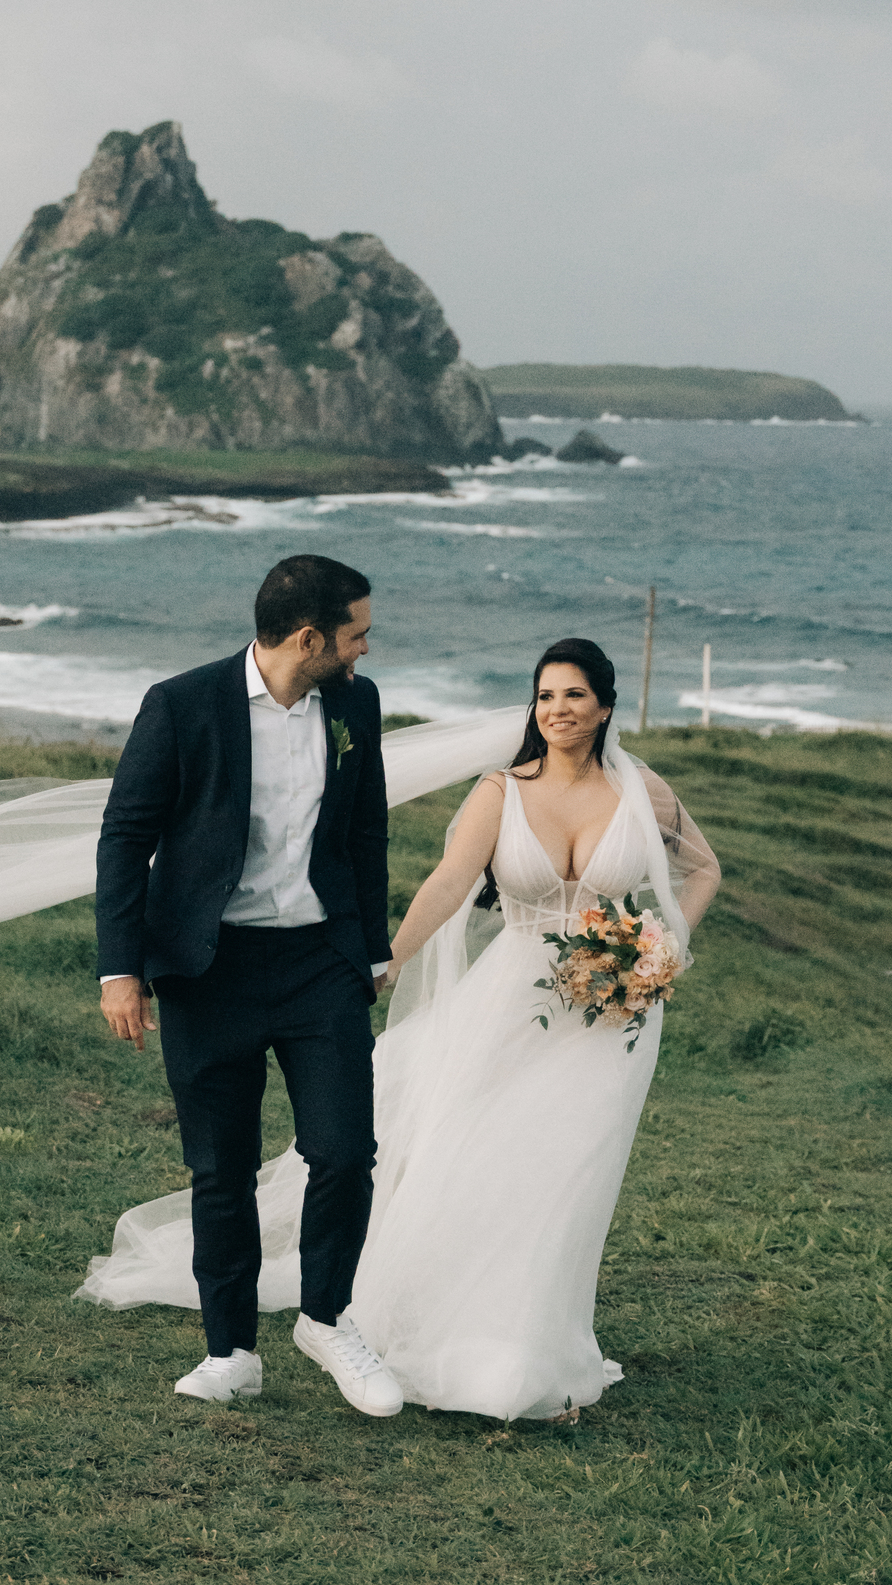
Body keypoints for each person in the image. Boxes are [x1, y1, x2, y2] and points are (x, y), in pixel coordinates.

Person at [80, 637, 720, 1424]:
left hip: (610, 1018)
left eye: (575, 696)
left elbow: (704, 869)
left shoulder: (641, 790)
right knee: (485, 1159)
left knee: (570, 1173)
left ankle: (542, 1341)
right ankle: (453, 1329)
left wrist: (660, 954)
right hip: (511, 1005)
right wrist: (383, 961)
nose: (557, 710)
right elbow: (451, 881)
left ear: (606, 706)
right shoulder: (502, 790)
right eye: (546, 695)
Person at [91, 553, 404, 1416]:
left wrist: (370, 949)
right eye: (356, 635)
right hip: (209, 968)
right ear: (309, 638)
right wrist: (121, 969)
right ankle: (231, 1350)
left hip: (318, 965)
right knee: (219, 1170)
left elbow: (367, 831)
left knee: (345, 1151)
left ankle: (327, 1316)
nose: (364, 651)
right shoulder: (182, 705)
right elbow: (125, 838)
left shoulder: (355, 704)